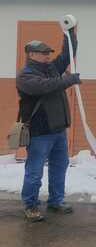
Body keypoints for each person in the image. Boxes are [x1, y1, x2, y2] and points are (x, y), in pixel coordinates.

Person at [16, 31, 82, 222]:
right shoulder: (25, 76)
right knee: (35, 171)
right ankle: (30, 206)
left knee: (59, 166)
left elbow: (66, 56)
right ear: (32, 54)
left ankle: (56, 201)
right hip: (39, 133)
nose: (47, 56)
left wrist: (69, 35)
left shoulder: (52, 68)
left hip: (58, 130)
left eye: (48, 53)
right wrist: (69, 79)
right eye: (43, 53)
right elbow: (46, 86)